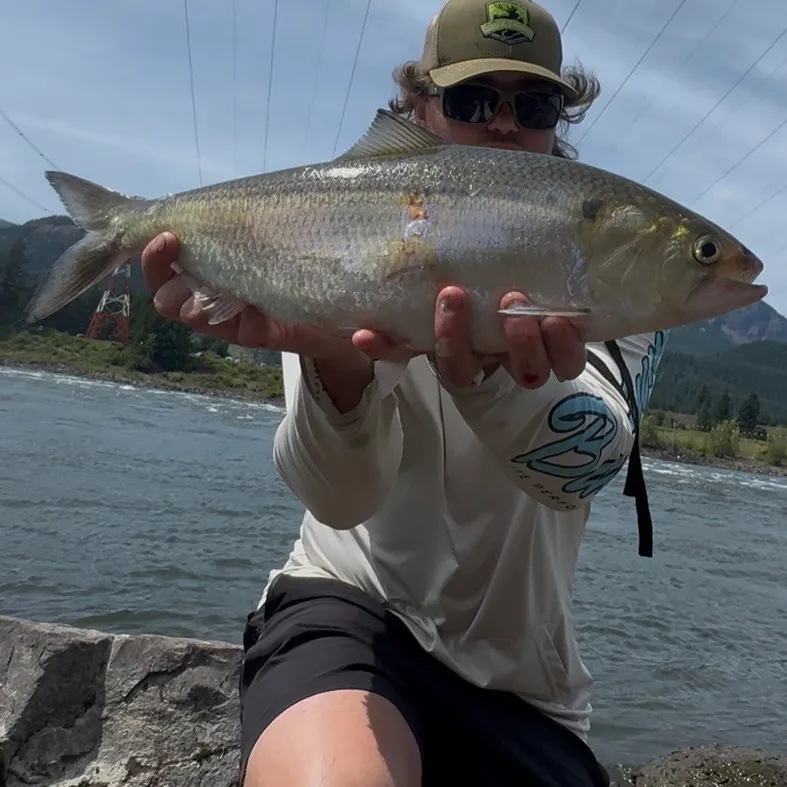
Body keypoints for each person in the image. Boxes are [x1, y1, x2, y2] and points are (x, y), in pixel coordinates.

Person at [141, 0, 666, 784]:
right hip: (351, 610)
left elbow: (583, 470)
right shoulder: (343, 245)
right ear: (416, 109)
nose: (501, 125)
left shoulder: (604, 271)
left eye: (533, 104)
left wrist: (491, 378)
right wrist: (337, 365)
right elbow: (341, 498)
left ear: (559, 122)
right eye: (468, 100)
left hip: (527, 685)